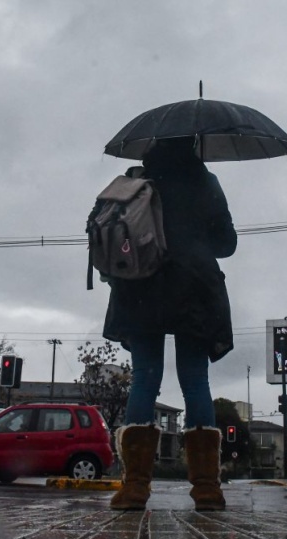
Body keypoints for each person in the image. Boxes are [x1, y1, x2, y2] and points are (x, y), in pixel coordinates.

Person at [101, 137, 237, 511]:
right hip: (193, 289)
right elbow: (227, 244)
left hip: (140, 289)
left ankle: (134, 490)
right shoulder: (204, 181)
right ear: (192, 144)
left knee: (145, 377)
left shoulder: (137, 181)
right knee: (195, 381)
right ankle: (207, 489)